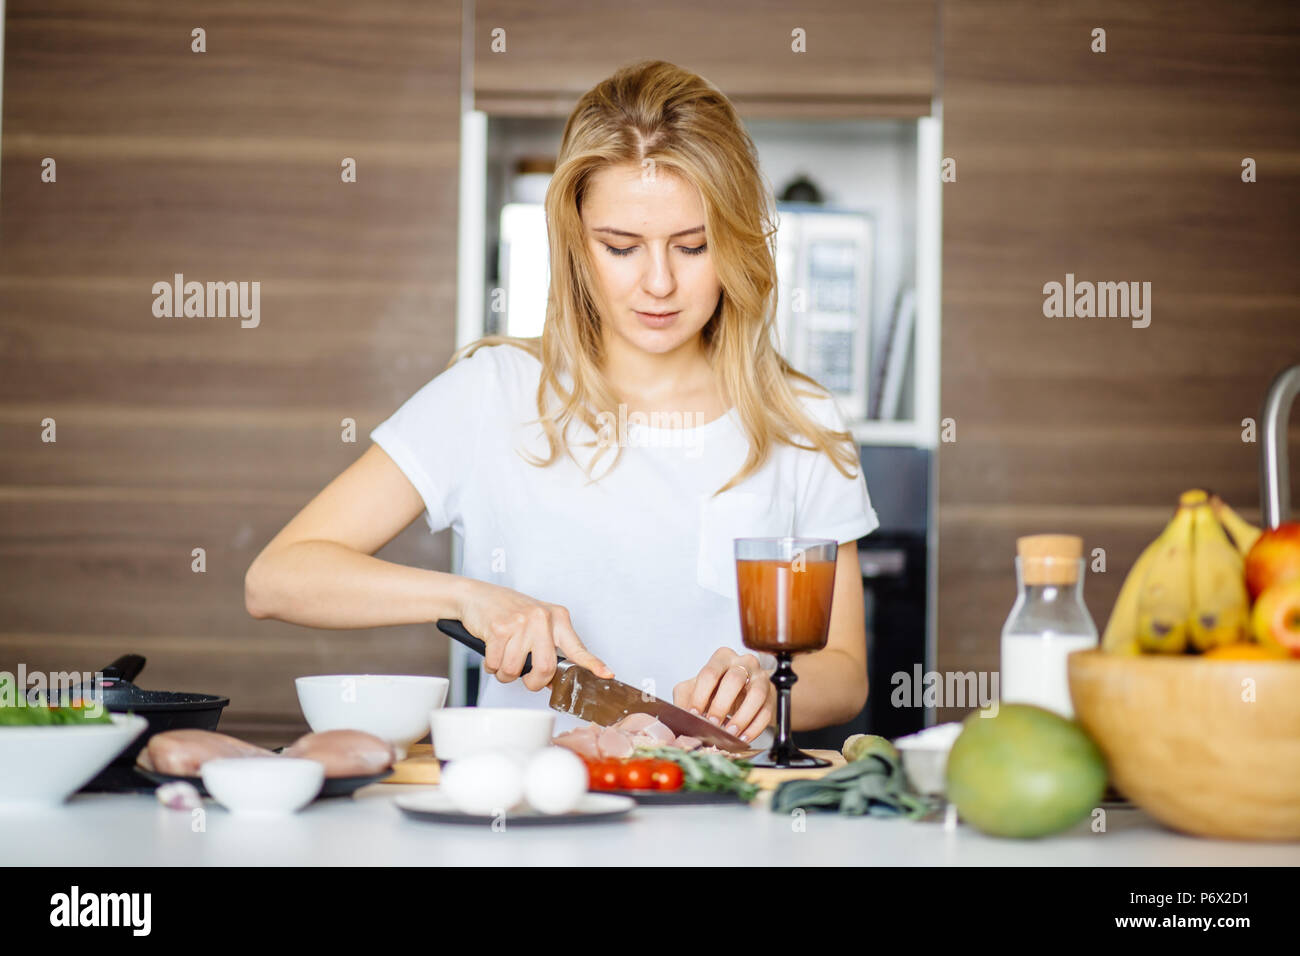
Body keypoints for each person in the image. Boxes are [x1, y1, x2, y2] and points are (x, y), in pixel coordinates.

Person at [245, 59, 879, 743]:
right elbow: (278, 577)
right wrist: (471, 597)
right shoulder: (494, 392)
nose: (659, 283)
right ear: (577, 240)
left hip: (726, 818)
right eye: (622, 246)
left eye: (693, 247)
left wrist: (768, 688)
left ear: (735, 239)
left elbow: (844, 672)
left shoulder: (802, 420)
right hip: (529, 820)